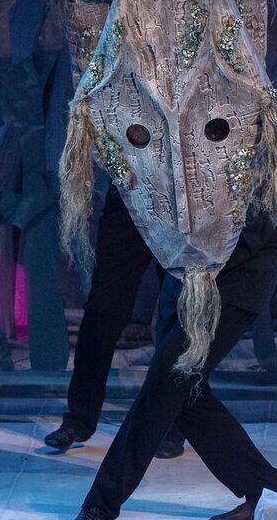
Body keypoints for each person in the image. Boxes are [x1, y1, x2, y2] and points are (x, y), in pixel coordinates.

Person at [63, 210, 277, 520]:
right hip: (182, 276)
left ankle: (99, 506)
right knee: (184, 394)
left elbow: (248, 218)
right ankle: (270, 492)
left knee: (167, 381)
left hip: (236, 275)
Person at [42, 185, 185, 459]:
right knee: (102, 311)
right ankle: (78, 419)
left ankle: (171, 425)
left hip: (181, 205)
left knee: (177, 318)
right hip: (130, 198)